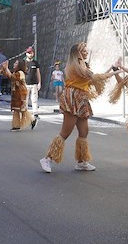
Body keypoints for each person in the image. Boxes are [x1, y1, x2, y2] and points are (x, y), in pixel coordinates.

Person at [39, 42, 119, 173]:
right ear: (77, 53)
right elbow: (94, 77)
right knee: (66, 132)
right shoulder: (75, 66)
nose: (87, 52)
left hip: (81, 99)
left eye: (86, 50)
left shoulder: (82, 65)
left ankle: (81, 162)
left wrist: (111, 68)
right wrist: (117, 71)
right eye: (84, 50)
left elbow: (94, 79)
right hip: (73, 98)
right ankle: (47, 158)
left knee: (84, 131)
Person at [2, 60, 33, 131]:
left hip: (21, 92)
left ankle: (16, 126)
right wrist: (4, 69)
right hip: (16, 92)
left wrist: (6, 68)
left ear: (20, 65)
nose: (14, 64)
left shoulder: (20, 72)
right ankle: (31, 120)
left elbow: (12, 77)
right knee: (19, 109)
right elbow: (9, 76)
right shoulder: (16, 72)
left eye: (16, 63)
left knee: (19, 109)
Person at [24, 47, 41, 128]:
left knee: (34, 99)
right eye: (29, 53)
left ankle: (35, 112)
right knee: (25, 99)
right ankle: (25, 113)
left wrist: (39, 82)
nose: (30, 54)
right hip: (26, 84)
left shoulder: (35, 63)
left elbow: (38, 73)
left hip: (34, 83)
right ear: (26, 54)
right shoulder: (24, 63)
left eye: (31, 53)